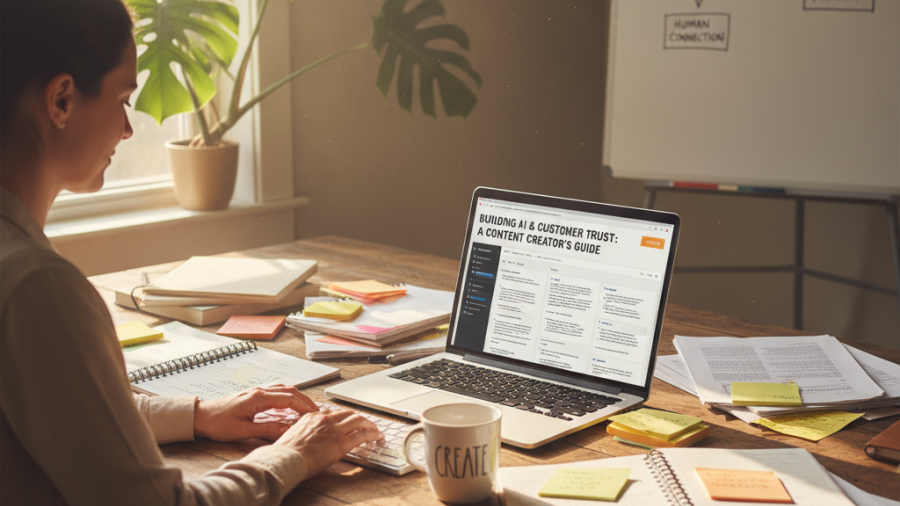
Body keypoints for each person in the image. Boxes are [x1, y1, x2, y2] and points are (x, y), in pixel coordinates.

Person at [0, 0, 381, 504]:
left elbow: (65, 410)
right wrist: (294, 454)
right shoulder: (38, 286)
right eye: (122, 101)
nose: (128, 129)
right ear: (61, 101)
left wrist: (198, 413)